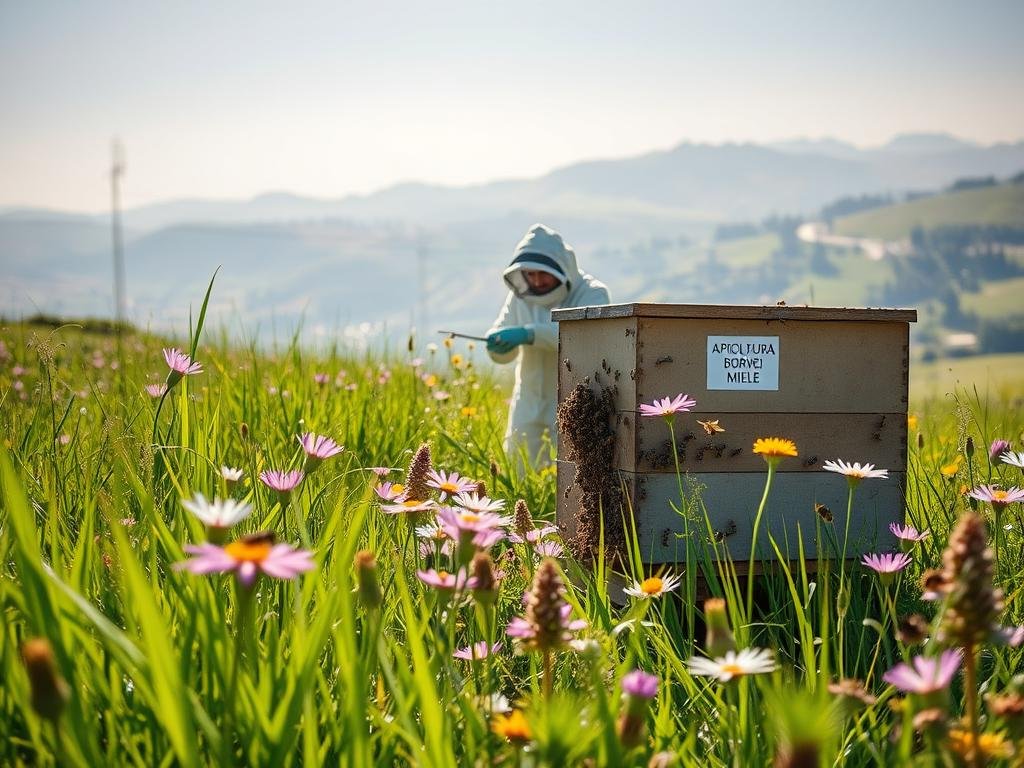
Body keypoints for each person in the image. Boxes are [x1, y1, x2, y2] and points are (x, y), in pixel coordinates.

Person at [486, 223, 610, 466]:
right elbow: (502, 334)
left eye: (542, 273)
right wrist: (497, 344)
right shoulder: (520, 296)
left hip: (576, 398)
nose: (536, 280)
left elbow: (582, 337)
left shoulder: (593, 293)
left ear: (561, 267)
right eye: (530, 274)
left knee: (571, 471)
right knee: (517, 467)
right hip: (528, 396)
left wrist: (528, 334)